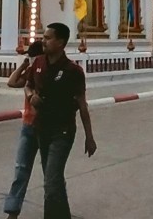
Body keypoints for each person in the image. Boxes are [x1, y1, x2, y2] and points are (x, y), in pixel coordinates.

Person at [27, 23, 96, 219]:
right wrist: (31, 95)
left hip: (63, 130)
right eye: (43, 36)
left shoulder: (73, 71)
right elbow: (27, 85)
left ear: (61, 42)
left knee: (51, 182)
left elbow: (83, 106)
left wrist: (89, 137)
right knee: (54, 179)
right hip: (42, 128)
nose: (43, 40)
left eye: (48, 38)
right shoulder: (38, 63)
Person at [3, 40, 44, 219]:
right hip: (28, 126)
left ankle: (56, 210)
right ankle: (12, 211)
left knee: (51, 173)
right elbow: (12, 82)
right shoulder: (30, 73)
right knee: (21, 169)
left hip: (46, 127)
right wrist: (25, 63)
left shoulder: (51, 73)